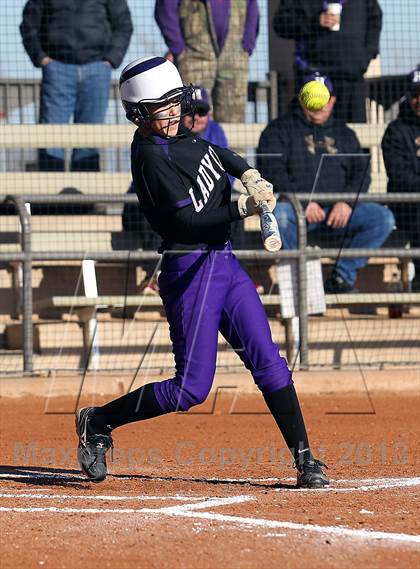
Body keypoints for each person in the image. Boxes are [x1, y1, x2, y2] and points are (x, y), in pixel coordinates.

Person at [75, 55, 329, 489]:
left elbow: (216, 153)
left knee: (270, 363)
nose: (175, 113)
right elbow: (186, 224)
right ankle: (98, 421)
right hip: (189, 269)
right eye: (163, 106)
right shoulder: (151, 158)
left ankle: (305, 460)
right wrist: (242, 207)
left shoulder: (181, 133)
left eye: (176, 102)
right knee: (190, 389)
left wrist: (247, 172)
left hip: (224, 262)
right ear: (138, 112)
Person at [257, 73, 394, 294]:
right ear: (302, 98)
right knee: (280, 215)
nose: (319, 105)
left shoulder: (345, 133)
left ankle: (341, 277)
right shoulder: (277, 130)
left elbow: (361, 173)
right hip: (296, 211)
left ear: (333, 100)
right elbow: (271, 172)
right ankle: (300, 284)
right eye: (312, 98)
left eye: (325, 98)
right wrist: (301, 202)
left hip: (339, 213)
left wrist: (347, 202)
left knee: (382, 218)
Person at [20, 0, 133, 172]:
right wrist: (41, 58)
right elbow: (29, 25)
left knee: (90, 138)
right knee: (51, 137)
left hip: (98, 68)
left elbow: (123, 25)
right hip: (57, 67)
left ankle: (84, 197)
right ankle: (50, 196)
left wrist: (111, 59)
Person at [273, 0, 382, 122]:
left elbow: (375, 19)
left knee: (352, 133)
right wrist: (315, 22)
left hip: (351, 77)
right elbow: (281, 23)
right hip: (313, 77)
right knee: (309, 132)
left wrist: (365, 56)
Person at [155, 0, 259, 123]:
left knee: (233, 123)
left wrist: (246, 47)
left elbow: (253, 11)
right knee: (194, 119)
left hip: (234, 60)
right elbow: (165, 10)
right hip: (194, 59)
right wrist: (179, 49)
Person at [381, 66, 420, 292]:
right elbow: (401, 176)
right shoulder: (396, 131)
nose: (419, 100)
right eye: (415, 94)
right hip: (407, 207)